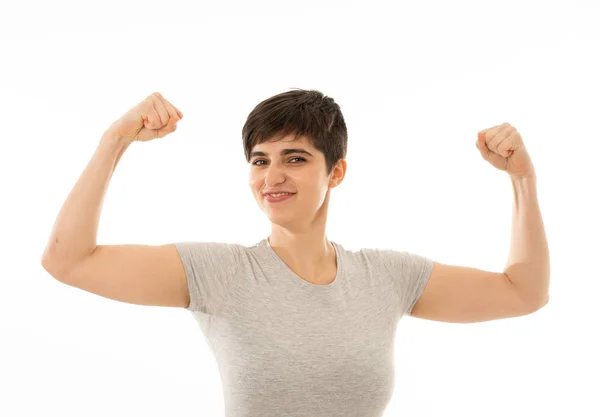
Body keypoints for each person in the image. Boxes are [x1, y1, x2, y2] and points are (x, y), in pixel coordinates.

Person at [41, 89, 549, 417]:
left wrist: (522, 179)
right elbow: (68, 260)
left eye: (296, 158)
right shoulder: (219, 273)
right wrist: (115, 140)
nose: (271, 176)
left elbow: (523, 292)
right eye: (260, 160)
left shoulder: (387, 277)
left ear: (336, 173)